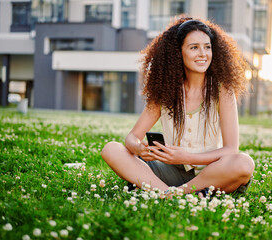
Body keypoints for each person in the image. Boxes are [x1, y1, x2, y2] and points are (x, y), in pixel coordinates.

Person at [101, 17, 254, 197]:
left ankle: (168, 193)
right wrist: (139, 148)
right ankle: (175, 193)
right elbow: (132, 137)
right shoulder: (165, 91)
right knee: (111, 149)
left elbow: (230, 150)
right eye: (194, 47)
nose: (203, 54)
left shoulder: (223, 90)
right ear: (178, 53)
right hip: (170, 172)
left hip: (212, 173)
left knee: (244, 163)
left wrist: (187, 158)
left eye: (207, 47)